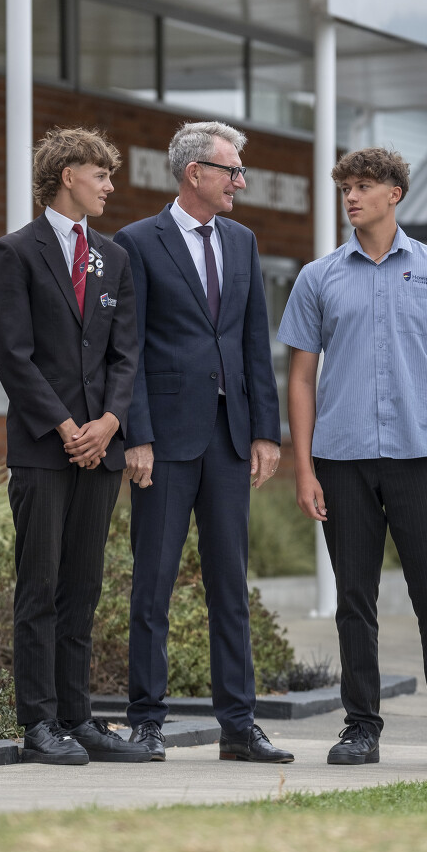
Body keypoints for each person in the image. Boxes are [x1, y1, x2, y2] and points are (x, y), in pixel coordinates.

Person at [279, 147, 427, 769]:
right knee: (354, 600)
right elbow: (300, 377)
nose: (351, 196)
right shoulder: (318, 277)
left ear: (395, 193)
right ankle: (361, 727)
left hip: (420, 457)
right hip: (341, 461)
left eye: (364, 186)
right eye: (346, 187)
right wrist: (304, 469)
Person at [114, 121, 291, 765]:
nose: (240, 182)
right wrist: (137, 435)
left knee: (229, 586)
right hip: (163, 441)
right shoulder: (137, 242)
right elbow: (127, 349)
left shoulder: (243, 241)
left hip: (230, 438)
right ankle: (146, 723)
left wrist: (266, 430)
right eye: (232, 171)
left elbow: (253, 342)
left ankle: (238, 726)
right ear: (196, 173)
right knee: (152, 586)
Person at [0, 126, 153, 766]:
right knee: (40, 586)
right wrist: (64, 427)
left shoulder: (114, 257)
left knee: (83, 588)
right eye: (100, 175)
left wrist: (109, 423)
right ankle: (39, 723)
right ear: (67, 177)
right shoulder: (15, 253)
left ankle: (78, 719)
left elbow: (125, 353)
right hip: (43, 449)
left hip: (100, 450)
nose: (109, 186)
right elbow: (13, 355)